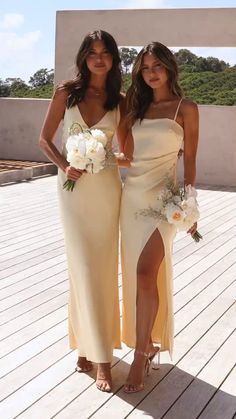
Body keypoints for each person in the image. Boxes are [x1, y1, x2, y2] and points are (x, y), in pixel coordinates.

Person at [39, 30, 125, 392]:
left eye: (105, 53)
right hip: (72, 192)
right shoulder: (66, 92)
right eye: (93, 53)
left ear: (114, 59)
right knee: (82, 267)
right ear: (84, 58)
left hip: (107, 191)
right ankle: (96, 354)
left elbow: (129, 151)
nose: (99, 59)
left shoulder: (121, 100)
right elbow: (44, 139)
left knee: (100, 270)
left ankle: (90, 350)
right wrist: (64, 164)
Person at [120, 42, 199, 393]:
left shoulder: (186, 108)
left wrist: (190, 206)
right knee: (138, 276)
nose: (151, 73)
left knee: (144, 271)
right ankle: (147, 345)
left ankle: (141, 354)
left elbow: (191, 162)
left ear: (169, 68)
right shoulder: (133, 107)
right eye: (145, 67)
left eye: (157, 66)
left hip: (165, 203)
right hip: (131, 196)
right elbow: (126, 154)